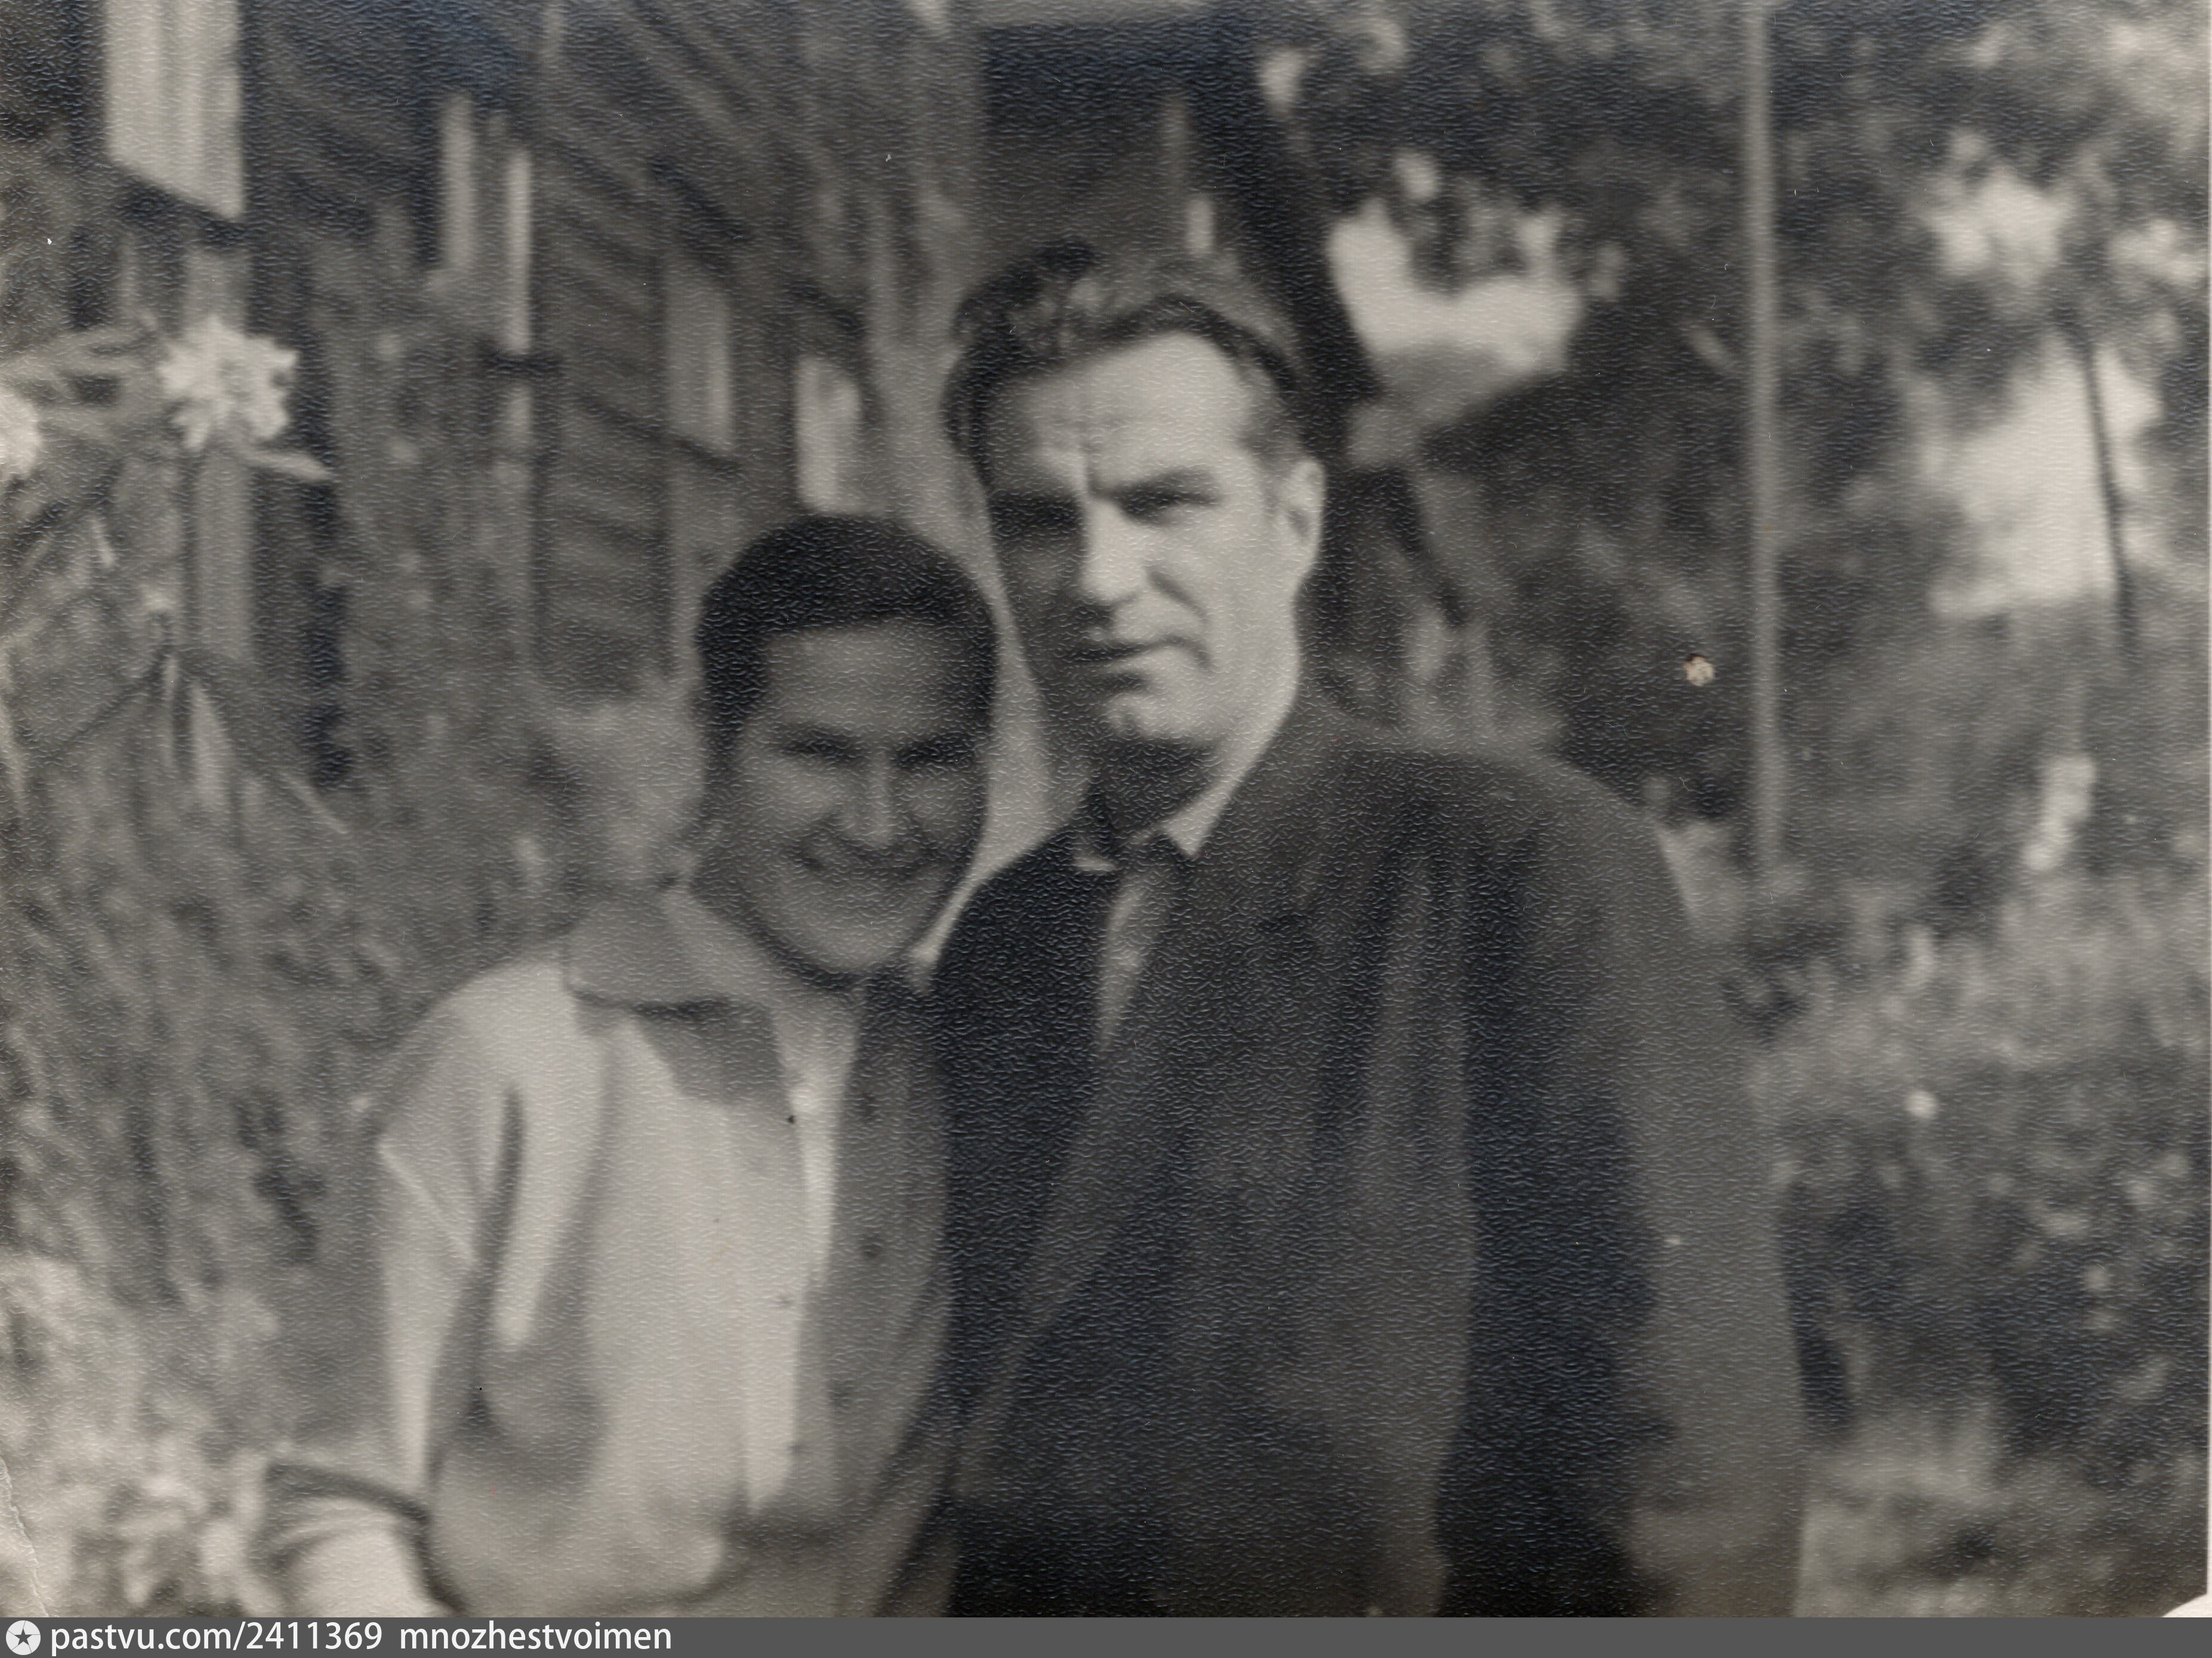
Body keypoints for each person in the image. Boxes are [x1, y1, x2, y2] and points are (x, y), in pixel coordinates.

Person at [929, 243, 1807, 1616]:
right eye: (1041, 520)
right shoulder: (1003, 942)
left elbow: (1689, 1474)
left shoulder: (1515, 866)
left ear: (1295, 521)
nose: (1098, 578)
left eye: (1165, 502)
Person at [260, 514, 995, 1616]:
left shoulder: (982, 1056)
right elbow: (343, 1508)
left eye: (929, 759)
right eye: (819, 753)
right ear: (714, 747)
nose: (879, 825)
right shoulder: (499, 1065)